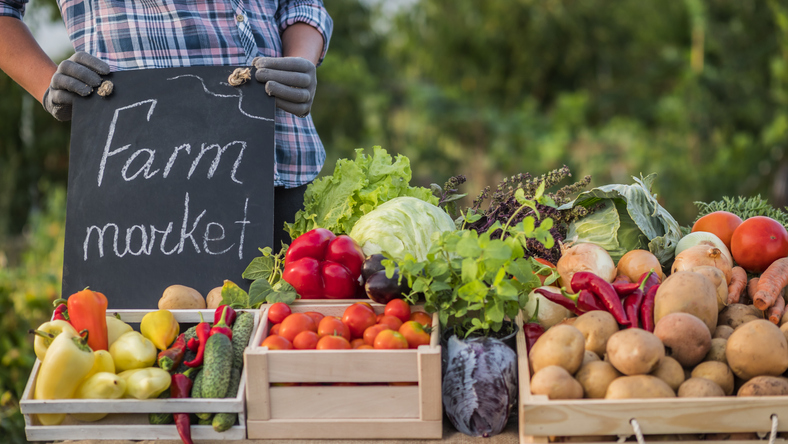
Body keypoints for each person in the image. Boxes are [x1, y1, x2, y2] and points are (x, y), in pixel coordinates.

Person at [0, 0, 333, 248]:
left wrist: (300, 60)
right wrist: (46, 86)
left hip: (282, 169)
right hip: (143, 183)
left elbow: (301, 4)